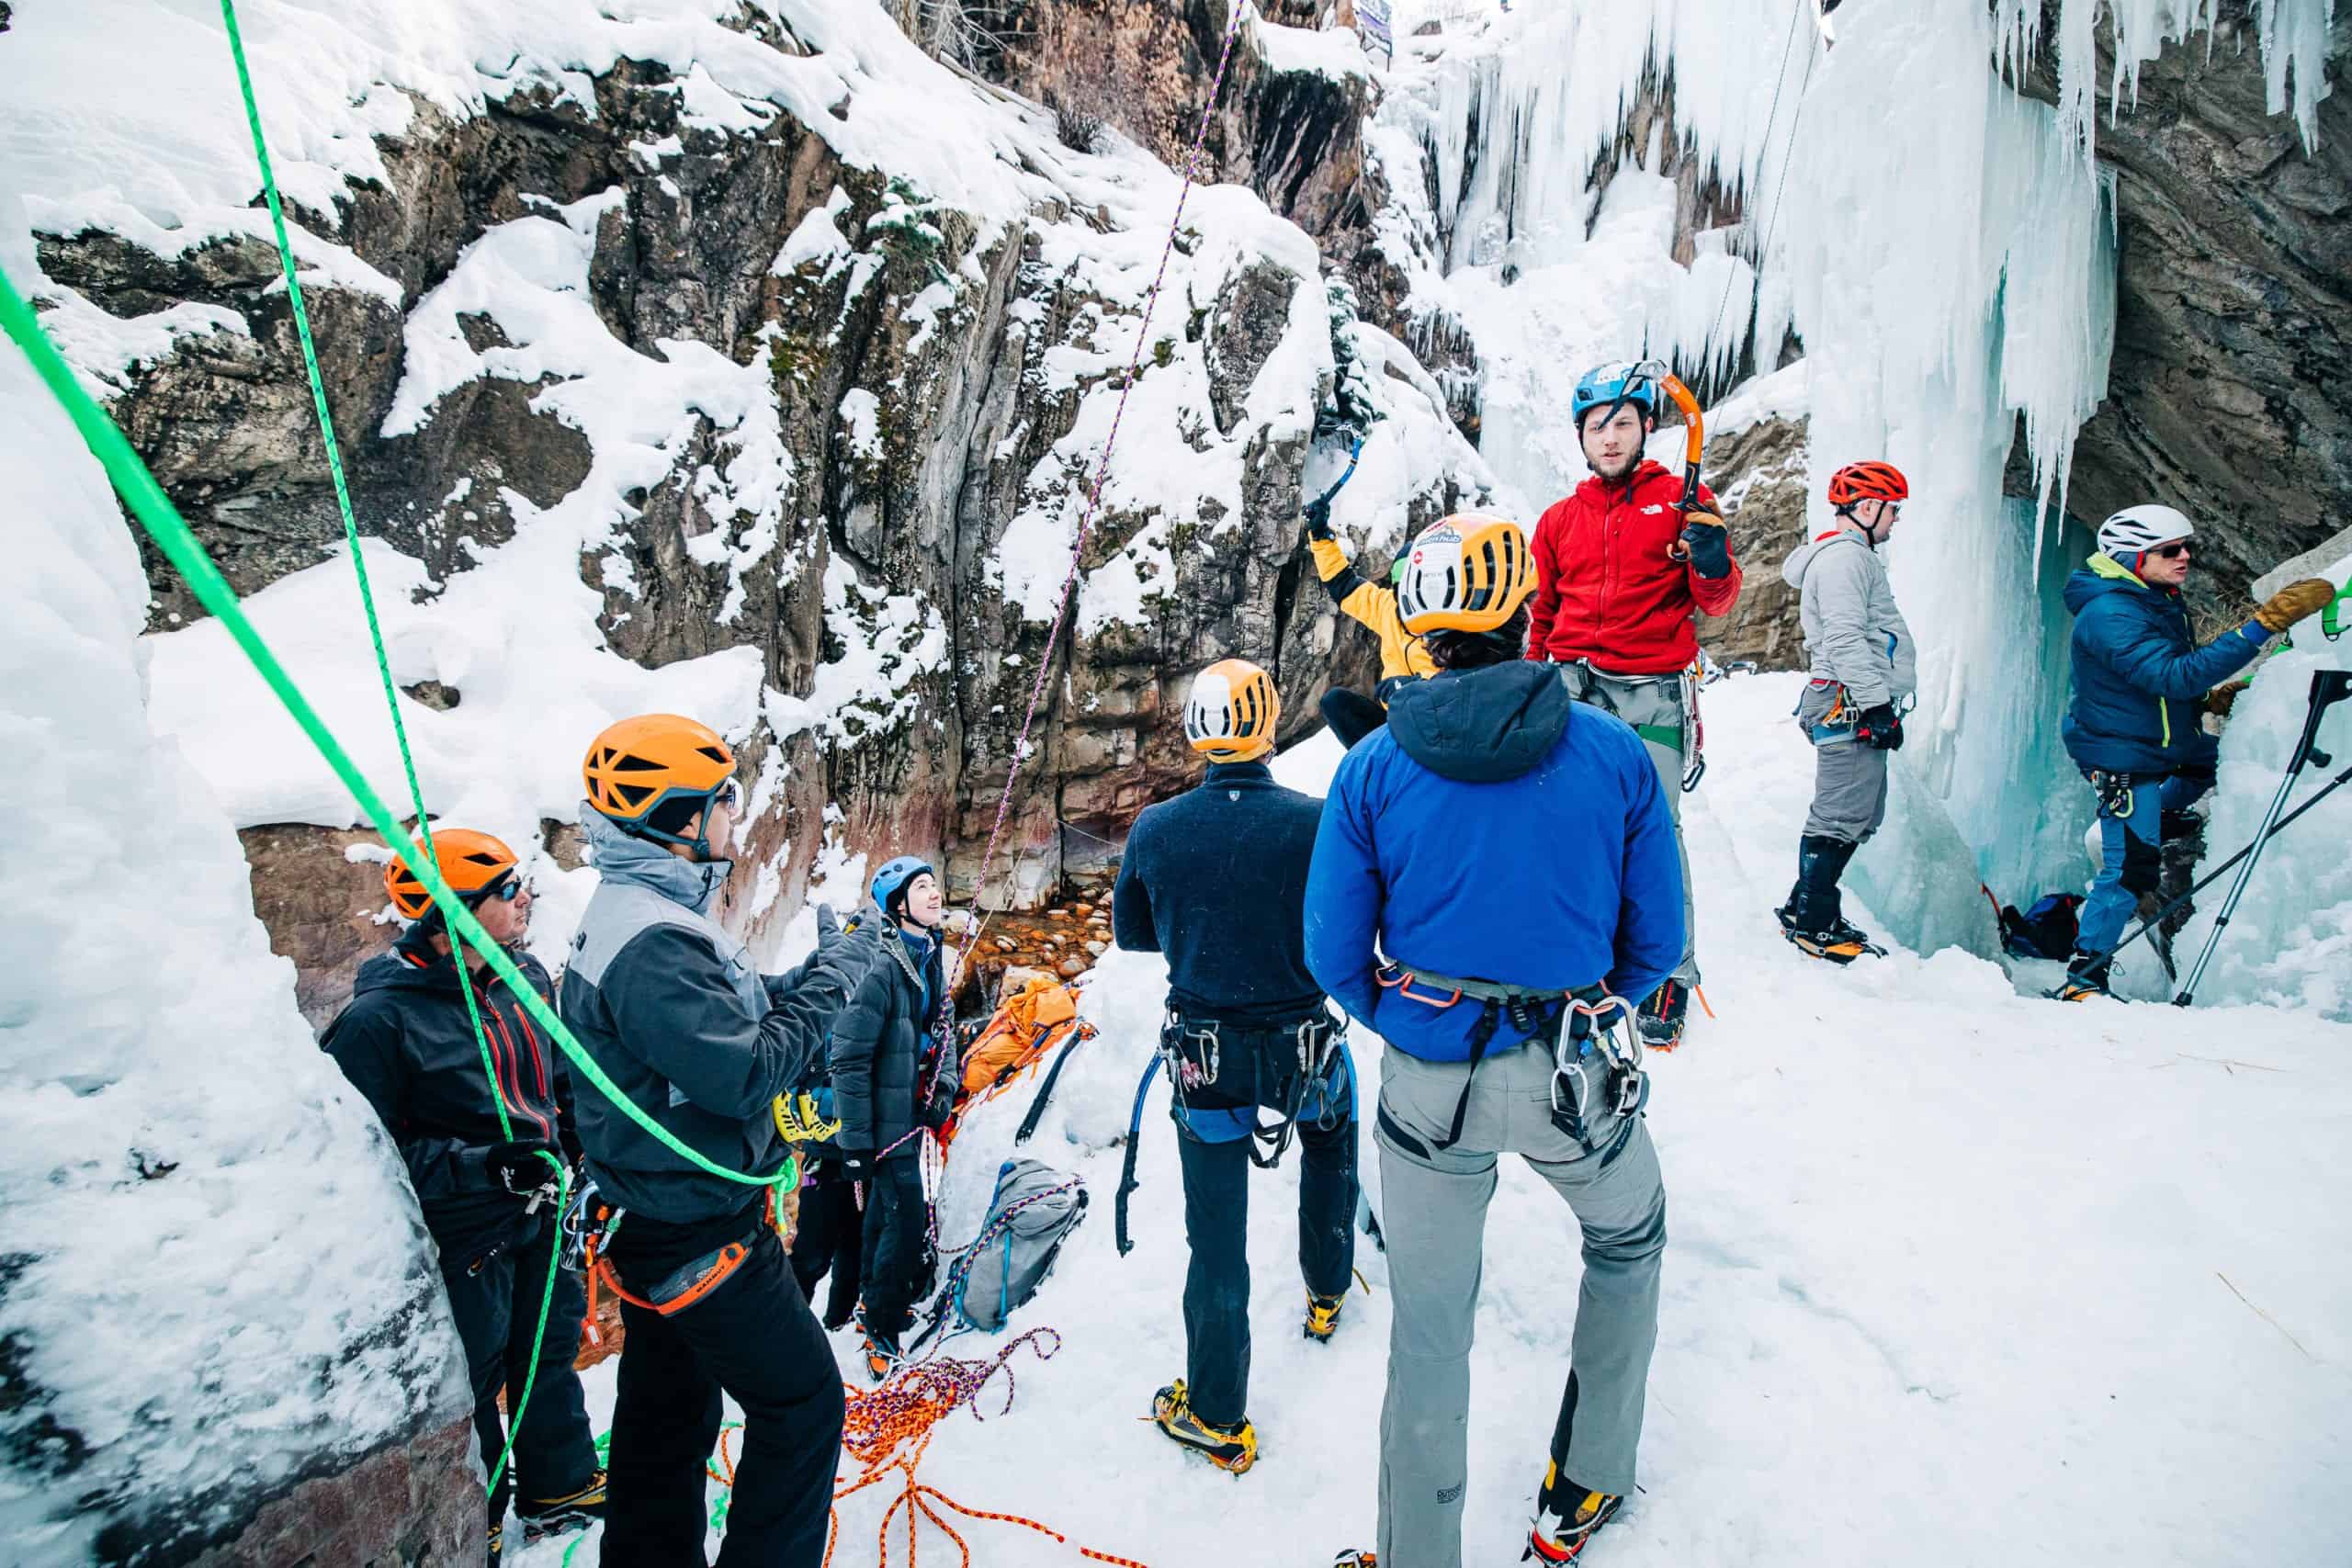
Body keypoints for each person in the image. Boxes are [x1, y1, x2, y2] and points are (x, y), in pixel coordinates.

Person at [1305, 515, 1682, 1568]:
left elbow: (1333, 954)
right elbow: (1659, 942)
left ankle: (1419, 1553)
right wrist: (1589, 1002)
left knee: (1430, 1328)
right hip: (1576, 1074)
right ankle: (1586, 1484)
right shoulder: (1611, 751)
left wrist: (1414, 1020)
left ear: (1420, 632)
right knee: (1627, 1240)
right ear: (1527, 616)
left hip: (1433, 1083)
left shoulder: (1373, 766)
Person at [558, 713, 879, 1567]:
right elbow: (743, 1071)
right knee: (803, 1402)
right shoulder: (652, 939)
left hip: (655, 1215)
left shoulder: (642, 910)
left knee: (669, 1415)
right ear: (680, 819)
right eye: (722, 801)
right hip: (700, 1227)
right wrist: (840, 982)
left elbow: (717, 1011)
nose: (735, 816)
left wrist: (812, 975)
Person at [322, 829, 605, 1564]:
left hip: (540, 1208)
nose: (526, 898)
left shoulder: (526, 980)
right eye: (508, 890)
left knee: (546, 1350)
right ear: (457, 911)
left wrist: (579, 1146)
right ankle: (473, 1514)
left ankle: (561, 1485)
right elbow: (367, 1151)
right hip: (465, 1231)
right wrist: (481, 1166)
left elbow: (557, 1079)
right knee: (474, 1379)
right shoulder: (379, 1021)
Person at [1113, 658, 1357, 1476]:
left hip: (1207, 1057)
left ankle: (1218, 1412)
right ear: (1267, 722)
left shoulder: (1157, 828)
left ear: (1198, 732)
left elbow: (1134, 936)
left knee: (1215, 1236)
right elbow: (1344, 922)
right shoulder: (1316, 821)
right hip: (1303, 1044)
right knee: (1330, 1147)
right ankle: (1327, 1290)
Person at [1525, 361, 1740, 1044]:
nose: (1610, 438)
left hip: (1652, 690)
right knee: (1565, 822)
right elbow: (1544, 614)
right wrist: (1531, 684)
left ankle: (1672, 972)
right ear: (1581, 439)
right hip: (1571, 689)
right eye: (1596, 427)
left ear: (1648, 427)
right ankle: (1575, 949)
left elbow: (1719, 600)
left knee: (1653, 828)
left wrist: (1710, 559)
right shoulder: (1559, 520)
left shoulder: (1682, 503)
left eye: (1622, 423)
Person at [2057, 508, 2335, 999]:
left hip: (2161, 740)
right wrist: (2262, 624)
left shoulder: (2151, 596)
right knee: (2129, 869)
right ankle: (2084, 975)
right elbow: (2172, 675)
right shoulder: (2111, 613)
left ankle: (2162, 816)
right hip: (2125, 755)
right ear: (2131, 557)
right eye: (2170, 550)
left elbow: (2159, 683)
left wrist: (2207, 699)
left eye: (2187, 547)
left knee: (2215, 759)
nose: (2185, 557)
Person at [1775, 460, 1917, 963]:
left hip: (1850, 698)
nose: (1895, 520)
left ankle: (1806, 906)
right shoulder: (1846, 560)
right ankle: (1813, 923)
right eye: (1891, 509)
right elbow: (1843, 636)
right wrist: (1877, 705)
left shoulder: (1852, 557)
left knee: (1860, 811)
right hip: (1847, 700)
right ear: (1867, 507)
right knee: (1839, 814)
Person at [829, 854, 958, 1381]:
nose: (934, 894)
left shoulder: (928, 957)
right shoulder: (881, 967)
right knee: (902, 1223)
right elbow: (849, 1056)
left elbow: (946, 1031)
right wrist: (855, 1144)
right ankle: (882, 1328)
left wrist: (943, 1091)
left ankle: (868, 1307)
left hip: (907, 1118)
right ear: (898, 905)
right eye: (921, 888)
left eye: (934, 885)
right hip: (883, 1126)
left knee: (884, 1217)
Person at [1306, 492, 1436, 748]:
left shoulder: (1451, 627)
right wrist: (1321, 535)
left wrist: (1415, 690)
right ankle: (1376, 767)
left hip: (1438, 725)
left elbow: (1464, 686)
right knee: (1335, 703)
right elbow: (1344, 585)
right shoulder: (1389, 609)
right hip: (1395, 723)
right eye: (1402, 580)